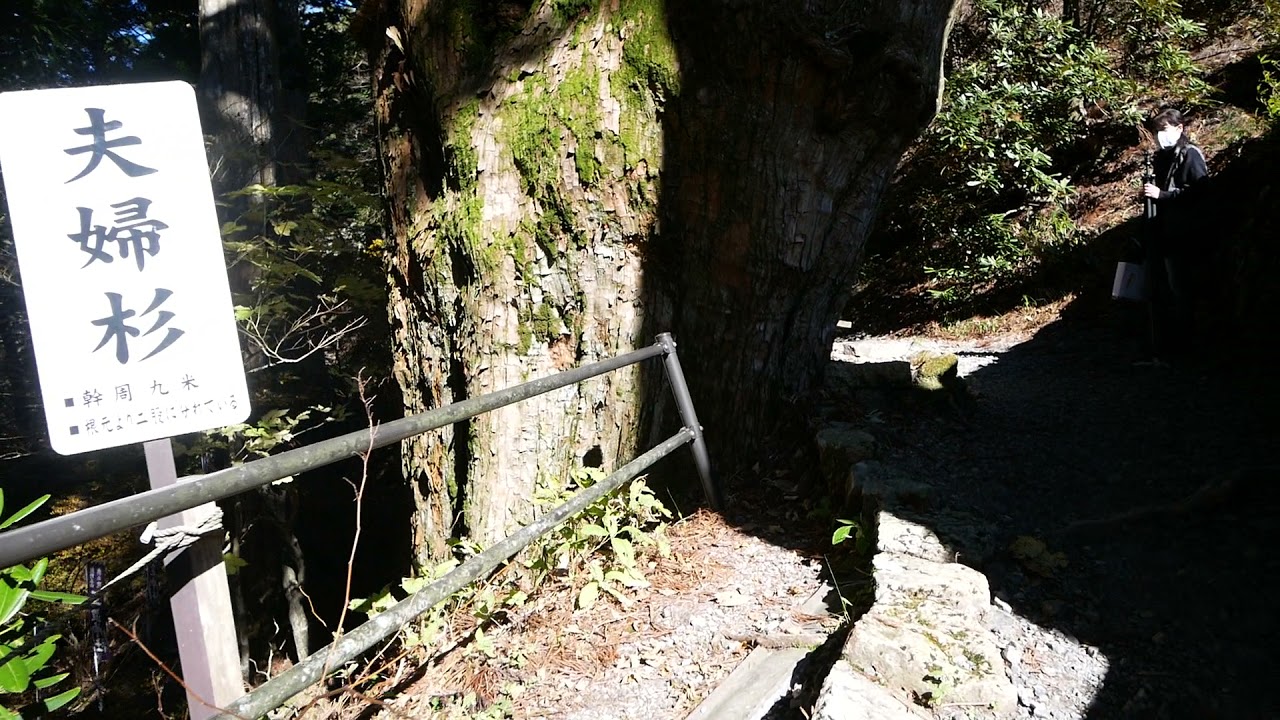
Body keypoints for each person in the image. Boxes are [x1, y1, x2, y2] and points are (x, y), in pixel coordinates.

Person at [1140, 107, 1208, 365]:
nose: (1160, 137)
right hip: (1165, 234)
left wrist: (1163, 196)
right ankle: (1169, 346)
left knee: (1184, 291)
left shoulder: (1190, 155)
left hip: (1186, 235)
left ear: (1180, 128)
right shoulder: (1162, 157)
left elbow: (1200, 191)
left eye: (1164, 130)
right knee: (1168, 289)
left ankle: (1187, 348)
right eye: (1156, 132)